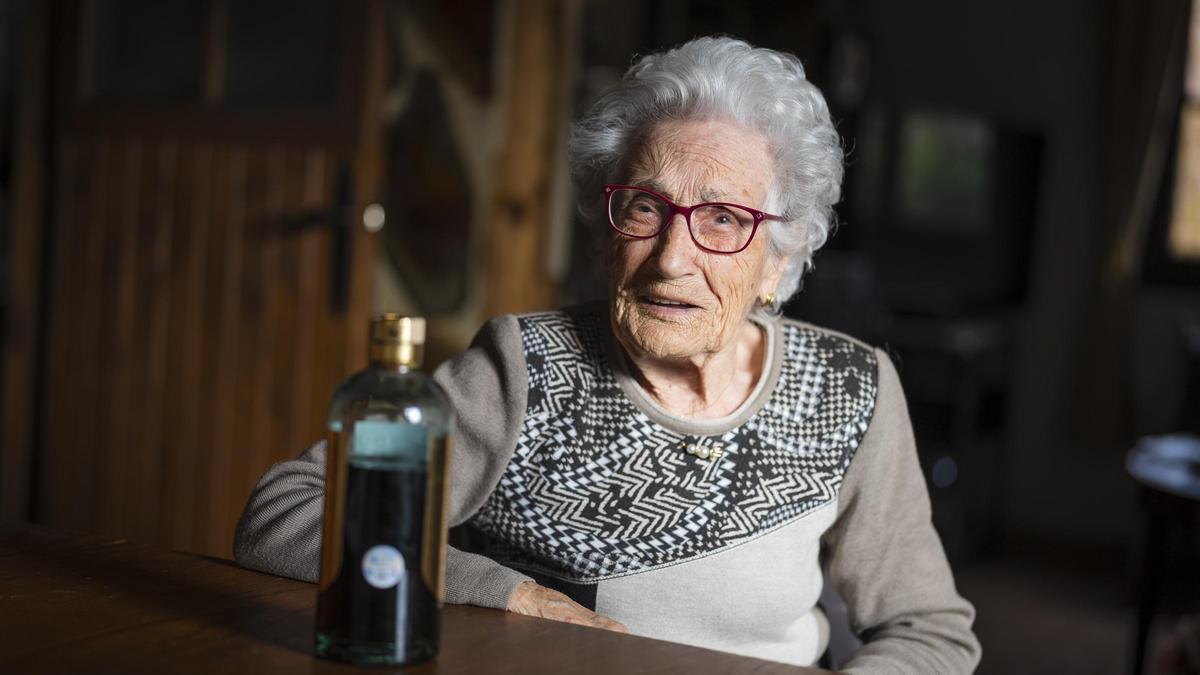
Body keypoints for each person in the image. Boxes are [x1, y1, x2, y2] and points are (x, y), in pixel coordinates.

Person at [234, 36, 981, 672]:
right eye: (647, 207)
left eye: (723, 219)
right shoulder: (525, 369)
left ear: (780, 261)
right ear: (604, 227)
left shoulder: (851, 390)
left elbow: (930, 631)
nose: (671, 259)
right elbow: (286, 515)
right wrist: (509, 593)